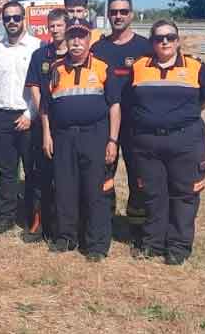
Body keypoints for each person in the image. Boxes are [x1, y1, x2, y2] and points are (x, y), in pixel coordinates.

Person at [126, 20, 205, 265]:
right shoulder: (140, 66)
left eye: (170, 37)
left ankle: (178, 246)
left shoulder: (196, 66)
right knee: (153, 193)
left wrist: (181, 117)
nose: (164, 42)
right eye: (158, 38)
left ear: (178, 40)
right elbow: (131, 100)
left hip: (185, 140)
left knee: (184, 194)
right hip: (148, 143)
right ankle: (153, 242)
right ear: (152, 42)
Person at [40, 18, 120, 262]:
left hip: (94, 136)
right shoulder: (56, 68)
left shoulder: (103, 68)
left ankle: (96, 244)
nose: (76, 41)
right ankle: (66, 237)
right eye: (72, 36)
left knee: (95, 191)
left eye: (81, 37)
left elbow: (115, 106)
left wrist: (112, 141)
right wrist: (47, 134)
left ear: (89, 39)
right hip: (63, 137)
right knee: (64, 189)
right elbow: (46, 106)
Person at [91, 0, 151, 245]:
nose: (118, 16)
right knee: (104, 176)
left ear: (132, 14)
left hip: (139, 125)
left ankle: (137, 228)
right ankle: (106, 222)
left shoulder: (146, 47)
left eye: (123, 12)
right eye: (113, 12)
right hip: (106, 125)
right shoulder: (98, 49)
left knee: (139, 178)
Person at [0, 1, 42, 235]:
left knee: (32, 171)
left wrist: (30, 114)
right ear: (2, 21)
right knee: (6, 171)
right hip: (2, 116)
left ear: (23, 18)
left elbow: (40, 88)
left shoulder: (36, 47)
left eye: (16, 17)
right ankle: (6, 217)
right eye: (8, 18)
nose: (12, 22)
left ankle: (32, 219)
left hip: (28, 117)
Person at [21, 8, 69, 243]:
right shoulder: (40, 55)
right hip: (44, 125)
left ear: (67, 27)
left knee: (65, 178)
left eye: (60, 25)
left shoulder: (77, 54)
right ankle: (38, 223)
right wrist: (45, 112)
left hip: (69, 128)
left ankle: (62, 227)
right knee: (40, 176)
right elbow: (34, 87)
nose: (56, 30)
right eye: (52, 26)